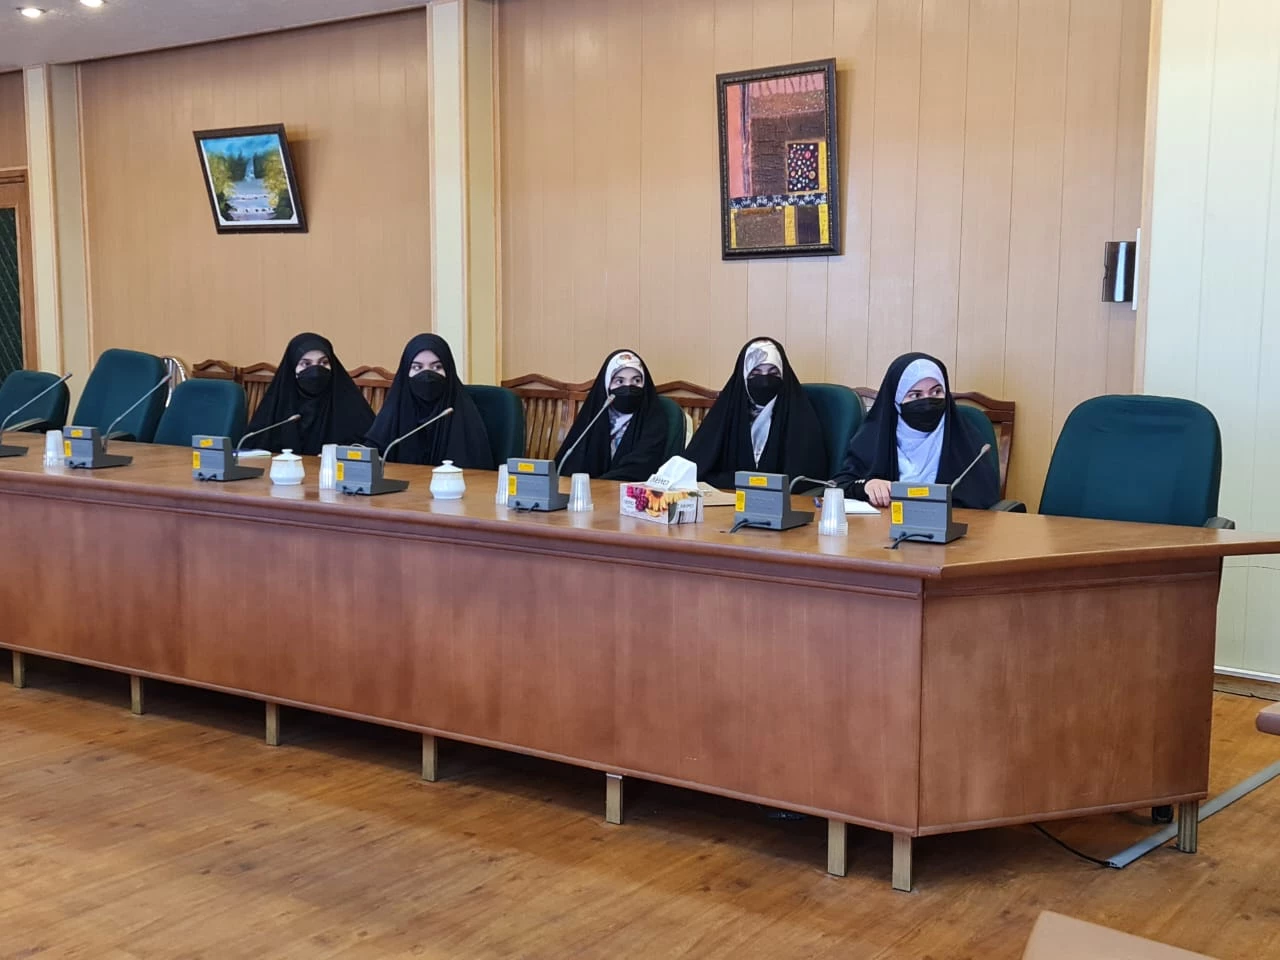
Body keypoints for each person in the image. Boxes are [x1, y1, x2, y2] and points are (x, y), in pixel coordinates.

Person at [833, 352, 999, 509]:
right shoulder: (874, 437)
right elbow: (838, 486)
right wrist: (866, 486)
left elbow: (984, 497)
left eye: (936, 392)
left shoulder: (963, 438)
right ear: (896, 400)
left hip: (950, 527)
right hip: (884, 526)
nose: (927, 402)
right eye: (915, 395)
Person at [684, 337, 827, 489]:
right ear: (743, 378)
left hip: (782, 500)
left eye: (773, 373)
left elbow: (804, 480)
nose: (765, 382)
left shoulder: (799, 417)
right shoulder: (726, 414)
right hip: (728, 497)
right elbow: (695, 468)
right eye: (755, 374)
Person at [363, 333, 495, 469]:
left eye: (436, 367)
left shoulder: (464, 415)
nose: (427, 376)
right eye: (417, 367)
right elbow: (371, 459)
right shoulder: (393, 411)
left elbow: (476, 472)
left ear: (449, 370)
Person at [245, 332, 374, 455]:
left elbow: (369, 449)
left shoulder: (349, 404)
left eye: (324, 363)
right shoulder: (277, 405)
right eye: (306, 364)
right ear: (292, 367)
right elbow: (253, 449)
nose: (316, 371)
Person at [555, 349, 668, 481]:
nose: (628, 387)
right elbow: (570, 463)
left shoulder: (653, 417)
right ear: (606, 386)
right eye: (619, 381)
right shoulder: (596, 415)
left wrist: (599, 485)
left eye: (636, 380)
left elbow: (641, 467)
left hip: (627, 491)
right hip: (586, 491)